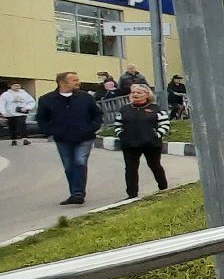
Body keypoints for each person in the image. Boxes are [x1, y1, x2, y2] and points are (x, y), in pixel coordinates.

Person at [37, 71, 103, 205]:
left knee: (80, 162)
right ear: (62, 82)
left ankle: (78, 194)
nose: (79, 82)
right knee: (68, 166)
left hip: (85, 137)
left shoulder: (86, 97)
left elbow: (97, 115)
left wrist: (90, 128)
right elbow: (42, 119)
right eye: (75, 80)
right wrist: (52, 131)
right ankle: (74, 193)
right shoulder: (47, 99)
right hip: (62, 139)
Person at [114, 84, 170, 198]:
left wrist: (156, 135)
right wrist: (122, 135)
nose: (135, 94)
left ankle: (163, 187)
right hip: (130, 145)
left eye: (139, 93)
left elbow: (165, 124)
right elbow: (117, 125)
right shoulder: (124, 109)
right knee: (130, 169)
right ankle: (132, 194)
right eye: (133, 92)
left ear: (147, 95)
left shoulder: (156, 108)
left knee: (155, 166)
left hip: (151, 144)